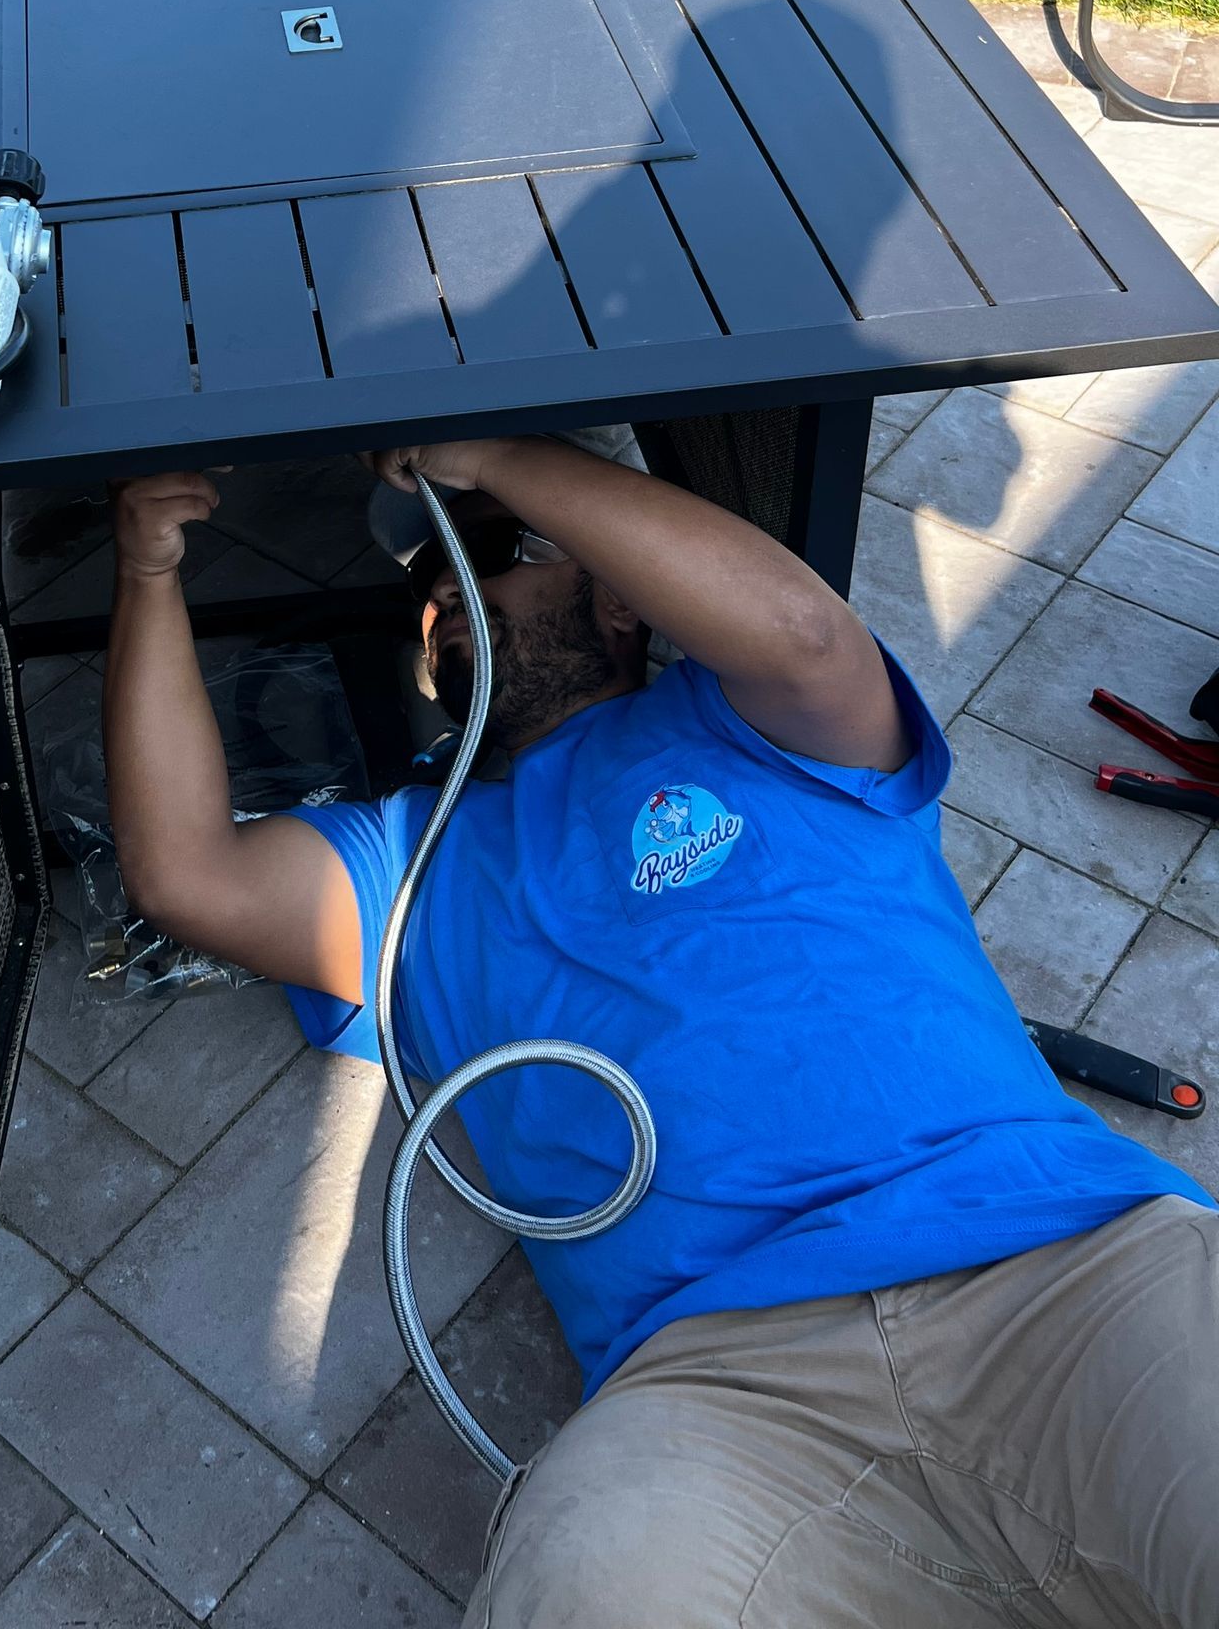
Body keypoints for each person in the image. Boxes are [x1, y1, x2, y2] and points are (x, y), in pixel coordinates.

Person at [102, 436, 1218, 1629]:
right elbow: (188, 878)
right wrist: (149, 576)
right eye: (426, 597)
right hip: (724, 1388)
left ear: (620, 598)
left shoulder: (765, 725)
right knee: (581, 1585)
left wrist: (495, 456)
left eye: (486, 562)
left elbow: (799, 628)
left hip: (1052, 1266)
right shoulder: (405, 864)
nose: (442, 601)